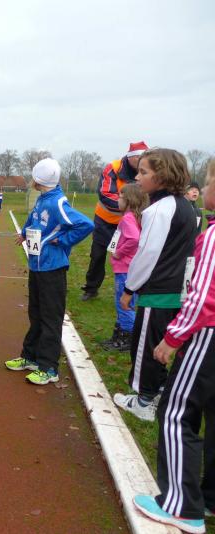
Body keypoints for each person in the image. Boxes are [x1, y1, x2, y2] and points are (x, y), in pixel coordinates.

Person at [131, 159, 215, 534]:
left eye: (209, 181)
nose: (204, 188)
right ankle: (209, 497)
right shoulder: (189, 214)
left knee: (176, 412)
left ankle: (182, 507)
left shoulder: (209, 235)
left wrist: (172, 338)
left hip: (206, 334)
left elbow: (204, 296)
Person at [112, 148, 198, 421]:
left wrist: (129, 289)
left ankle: (143, 400)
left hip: (158, 291)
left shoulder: (159, 210)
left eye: (144, 172)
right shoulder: (184, 206)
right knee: (159, 346)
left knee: (145, 346)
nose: (137, 177)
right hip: (176, 290)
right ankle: (157, 391)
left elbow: (147, 254)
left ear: (162, 176)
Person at [5, 158, 93, 385]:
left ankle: (49, 368)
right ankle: (30, 357)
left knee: (50, 318)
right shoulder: (42, 199)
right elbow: (33, 219)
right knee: (35, 314)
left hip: (52, 269)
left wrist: (63, 241)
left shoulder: (57, 202)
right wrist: (24, 233)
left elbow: (86, 224)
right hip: (37, 265)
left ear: (38, 179)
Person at [81, 141, 148, 301]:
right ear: (130, 157)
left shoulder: (148, 170)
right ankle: (91, 288)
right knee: (97, 255)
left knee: (133, 256)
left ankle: (132, 289)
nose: (142, 162)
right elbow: (105, 194)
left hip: (131, 223)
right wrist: (131, 206)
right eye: (139, 158)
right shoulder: (113, 167)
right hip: (105, 220)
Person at [99, 184, 147, 352]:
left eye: (120, 197)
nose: (117, 200)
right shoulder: (136, 217)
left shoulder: (128, 218)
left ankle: (128, 338)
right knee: (127, 303)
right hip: (131, 268)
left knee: (123, 304)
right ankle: (119, 335)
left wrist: (119, 252)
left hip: (125, 269)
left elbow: (134, 239)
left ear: (129, 200)